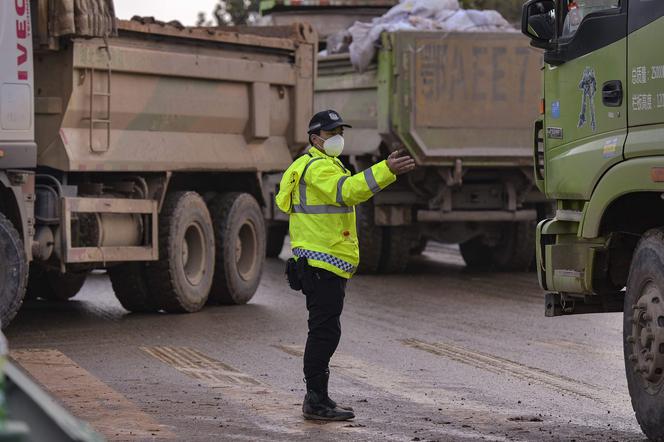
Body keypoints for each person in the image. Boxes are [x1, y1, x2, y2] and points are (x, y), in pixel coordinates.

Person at [275, 109, 416, 421]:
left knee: (325, 330)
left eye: (340, 132)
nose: (338, 138)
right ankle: (315, 400)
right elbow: (348, 191)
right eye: (331, 133)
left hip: (323, 262)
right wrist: (386, 170)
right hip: (319, 264)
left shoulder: (323, 164)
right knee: (324, 332)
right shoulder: (316, 168)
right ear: (315, 138)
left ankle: (318, 398)